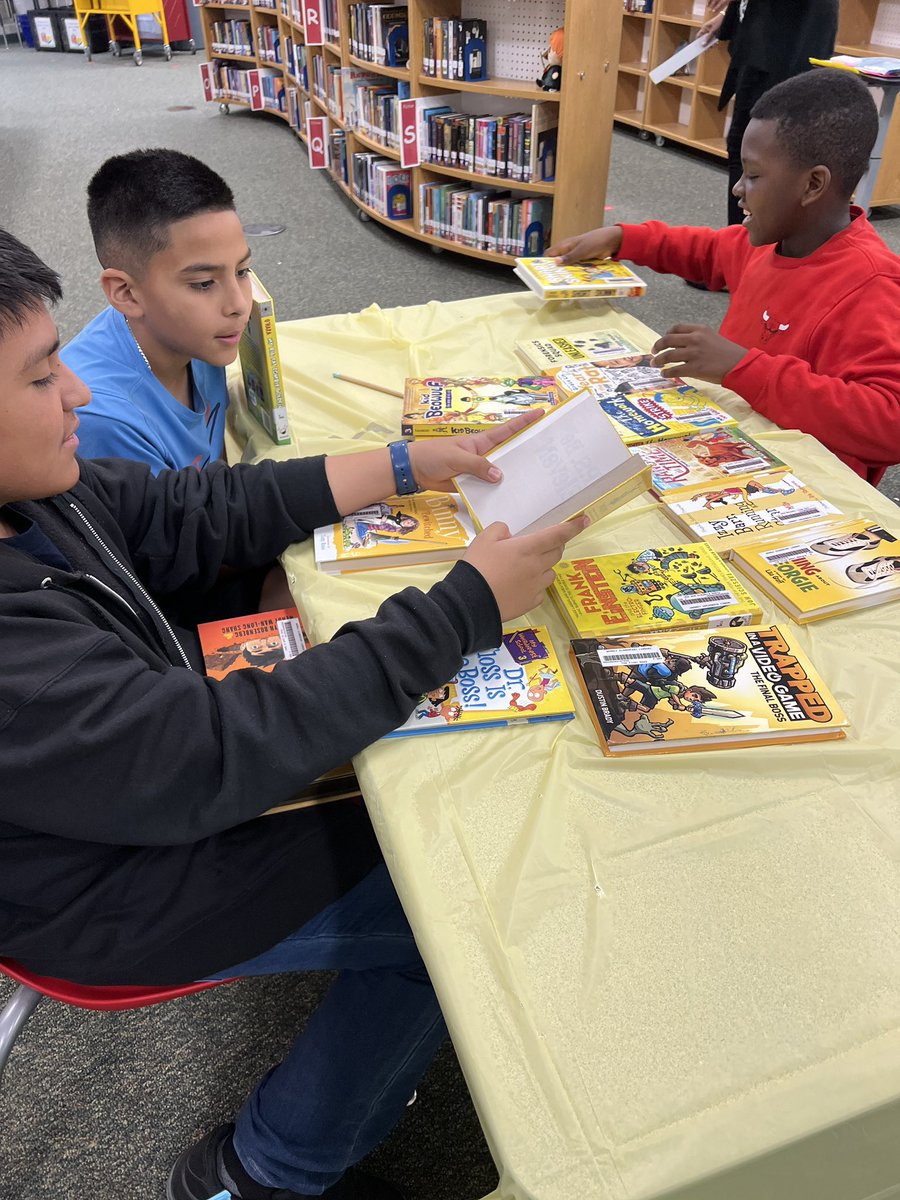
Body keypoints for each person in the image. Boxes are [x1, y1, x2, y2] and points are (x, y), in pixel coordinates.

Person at [0, 228, 585, 1200]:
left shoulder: (33, 495)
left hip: (145, 775)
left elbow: (200, 507)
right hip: (101, 893)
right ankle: (265, 1168)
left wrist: (408, 461)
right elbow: (212, 758)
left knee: (420, 779)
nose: (80, 395)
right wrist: (464, 605)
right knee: (456, 894)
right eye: (37, 378)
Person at [548, 69, 900, 487]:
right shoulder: (766, 242)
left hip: (803, 489)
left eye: (753, 175)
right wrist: (623, 237)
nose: (738, 188)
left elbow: (889, 422)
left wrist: (742, 367)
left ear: (813, 184)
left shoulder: (873, 283)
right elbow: (706, 249)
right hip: (726, 447)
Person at [60, 148, 252, 474]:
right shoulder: (106, 423)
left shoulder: (200, 339)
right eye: (204, 284)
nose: (238, 305)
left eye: (242, 271)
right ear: (126, 293)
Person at [700, 0, 838, 225]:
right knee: (743, 147)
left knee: (771, 154)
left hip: (788, 52)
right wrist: (729, 14)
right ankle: (742, 236)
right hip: (760, 47)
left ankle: (754, 237)